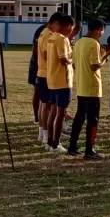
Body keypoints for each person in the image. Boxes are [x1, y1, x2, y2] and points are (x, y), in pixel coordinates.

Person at [68, 19, 110, 159]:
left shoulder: (79, 43)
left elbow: (74, 65)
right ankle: (89, 150)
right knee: (93, 119)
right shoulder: (94, 44)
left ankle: (72, 146)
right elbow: (94, 66)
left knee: (80, 117)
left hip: (81, 85)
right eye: (102, 31)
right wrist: (106, 56)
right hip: (93, 87)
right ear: (98, 29)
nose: (102, 34)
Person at [46, 15, 76, 154]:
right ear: (69, 26)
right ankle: (56, 144)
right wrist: (72, 59)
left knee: (53, 112)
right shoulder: (62, 39)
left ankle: (50, 141)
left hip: (52, 79)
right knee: (61, 113)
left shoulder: (51, 37)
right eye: (72, 28)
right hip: (63, 81)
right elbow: (63, 59)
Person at [36, 12, 63, 145]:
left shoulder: (43, 32)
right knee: (47, 106)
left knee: (43, 104)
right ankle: (46, 136)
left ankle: (42, 134)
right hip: (47, 73)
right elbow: (47, 55)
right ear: (56, 23)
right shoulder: (48, 35)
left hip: (42, 72)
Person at [29, 21, 48, 125]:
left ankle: (43, 116)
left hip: (48, 67)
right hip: (37, 64)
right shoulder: (43, 30)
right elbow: (35, 49)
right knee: (37, 90)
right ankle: (37, 115)